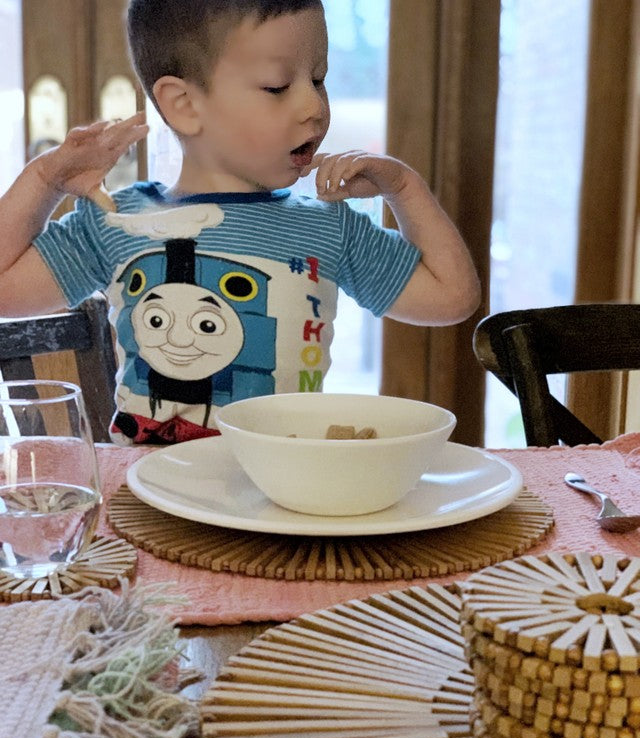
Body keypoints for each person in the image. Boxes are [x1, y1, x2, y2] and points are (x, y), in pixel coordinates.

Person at [0, 0, 480, 445]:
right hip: (150, 502)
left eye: (318, 79)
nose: (313, 106)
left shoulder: (328, 227)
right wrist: (46, 177)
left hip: (283, 494)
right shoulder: (115, 220)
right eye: (277, 87)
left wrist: (404, 188)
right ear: (185, 105)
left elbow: (452, 298)